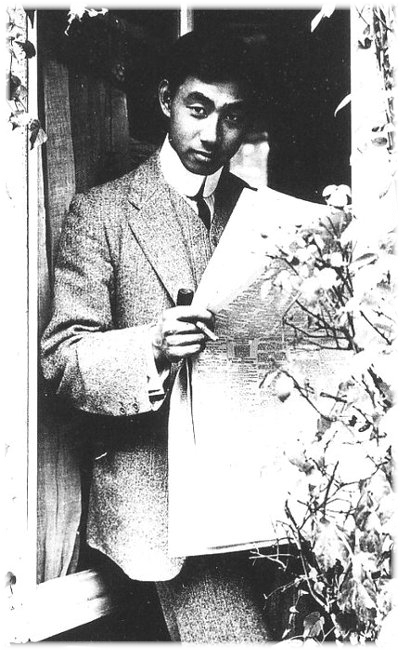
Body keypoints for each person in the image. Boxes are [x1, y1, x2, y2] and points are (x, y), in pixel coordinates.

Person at [41, 29, 272, 641]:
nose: (211, 134)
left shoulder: (261, 216)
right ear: (166, 99)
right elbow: (62, 358)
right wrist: (151, 346)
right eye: (198, 108)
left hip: (258, 501)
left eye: (231, 117)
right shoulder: (102, 212)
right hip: (160, 511)